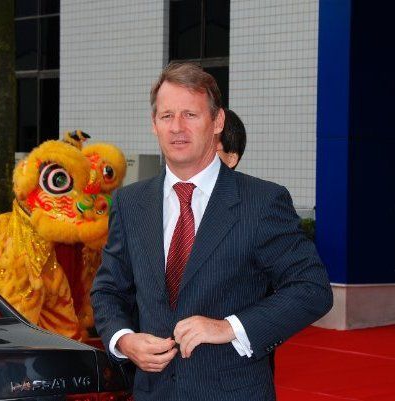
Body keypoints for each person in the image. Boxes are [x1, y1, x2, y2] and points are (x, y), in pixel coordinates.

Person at [91, 63, 333, 401]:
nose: (177, 127)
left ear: (217, 121)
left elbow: (312, 289)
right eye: (166, 116)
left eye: (190, 114)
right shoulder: (130, 203)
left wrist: (229, 327)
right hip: (152, 392)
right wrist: (124, 339)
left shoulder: (262, 202)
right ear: (154, 124)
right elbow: (108, 290)